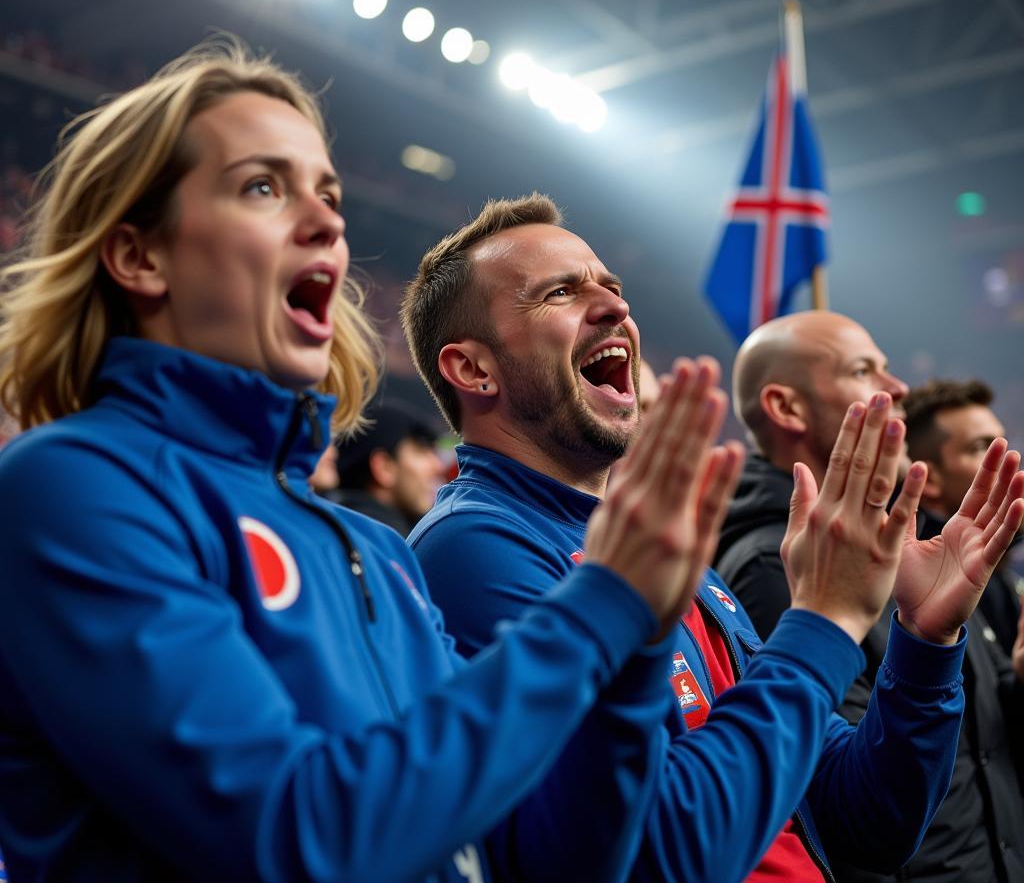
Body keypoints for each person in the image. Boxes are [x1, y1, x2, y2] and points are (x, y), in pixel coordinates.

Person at [0, 43, 744, 882]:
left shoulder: (373, 548)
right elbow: (294, 839)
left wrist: (636, 644)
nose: (326, 222)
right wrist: (601, 608)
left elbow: (544, 859)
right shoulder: (70, 486)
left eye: (327, 192)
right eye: (261, 187)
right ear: (139, 256)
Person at [402, 194, 1023, 883]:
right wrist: (821, 621)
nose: (616, 309)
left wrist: (925, 645)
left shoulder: (663, 549)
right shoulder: (473, 550)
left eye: (612, 287)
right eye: (560, 293)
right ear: (473, 370)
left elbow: (870, 823)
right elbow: (654, 855)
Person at [718, 313, 1024, 883]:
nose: (900, 387)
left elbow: (981, 741)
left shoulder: (917, 544)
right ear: (788, 409)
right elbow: (849, 802)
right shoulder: (771, 563)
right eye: (864, 370)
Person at [904, 377, 1023, 655]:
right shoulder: (919, 591)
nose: (1009, 461)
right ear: (929, 479)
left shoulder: (997, 574)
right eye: (981, 448)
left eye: (1003, 445)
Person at [317, 398, 447, 536]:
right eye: (421, 452)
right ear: (384, 468)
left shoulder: (338, 526)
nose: (439, 466)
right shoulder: (383, 542)